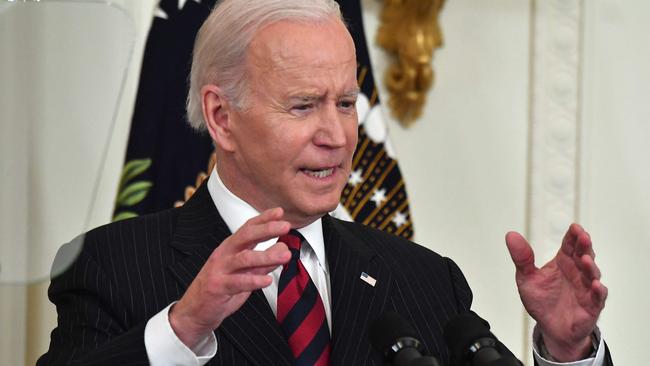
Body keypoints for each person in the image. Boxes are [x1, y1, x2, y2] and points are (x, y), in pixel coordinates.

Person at [38, 0, 611, 365]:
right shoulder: (110, 266)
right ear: (221, 117)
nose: (336, 135)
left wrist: (567, 351)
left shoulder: (424, 280)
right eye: (303, 105)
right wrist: (182, 328)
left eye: (345, 102)